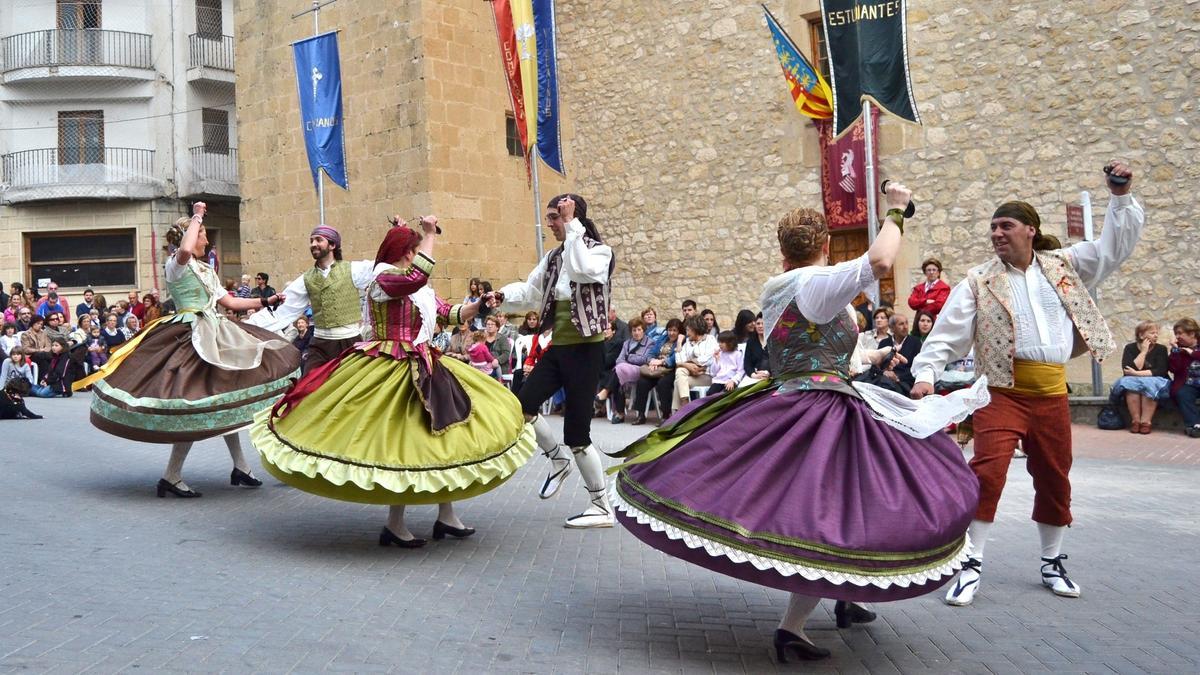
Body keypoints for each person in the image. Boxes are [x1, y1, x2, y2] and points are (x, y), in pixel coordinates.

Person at [610, 185, 983, 661]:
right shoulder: (813, 284)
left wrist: (872, 353)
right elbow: (883, 261)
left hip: (798, 396)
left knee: (851, 501)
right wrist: (896, 207)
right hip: (821, 409)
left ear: (782, 249)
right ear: (824, 246)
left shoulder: (780, 287)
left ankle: (848, 599)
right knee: (826, 513)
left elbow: (827, 351)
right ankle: (792, 628)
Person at [911, 161, 1143, 606]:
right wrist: (925, 374)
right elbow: (947, 333)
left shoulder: (1067, 266)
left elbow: (1114, 249)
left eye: (1007, 226)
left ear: (1031, 230)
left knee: (1055, 477)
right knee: (989, 472)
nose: (997, 233)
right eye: (993, 227)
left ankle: (1052, 561)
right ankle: (970, 563)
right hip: (1001, 392)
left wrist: (1119, 196)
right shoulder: (978, 280)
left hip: (1053, 393)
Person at [250, 217, 534, 547]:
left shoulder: (418, 287)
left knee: (442, 440)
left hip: (425, 363)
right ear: (402, 251)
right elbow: (416, 277)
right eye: (413, 250)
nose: (416, 255)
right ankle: (395, 523)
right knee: (403, 444)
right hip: (391, 365)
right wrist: (430, 234)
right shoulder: (384, 280)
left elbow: (450, 314)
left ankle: (446, 515)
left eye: (417, 250)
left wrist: (479, 304)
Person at [75, 202, 300, 498]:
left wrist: (266, 302)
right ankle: (172, 475)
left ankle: (240, 467)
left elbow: (230, 304)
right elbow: (183, 251)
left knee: (223, 395)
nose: (206, 240)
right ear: (191, 236)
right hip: (190, 337)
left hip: (217, 333)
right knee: (193, 403)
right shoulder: (176, 265)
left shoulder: (206, 269)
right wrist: (197, 217)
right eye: (203, 234)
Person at [495, 193, 617, 529]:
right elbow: (532, 290)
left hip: (587, 351)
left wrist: (574, 224)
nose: (550, 224)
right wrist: (502, 295)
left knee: (578, 433)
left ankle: (601, 505)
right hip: (561, 347)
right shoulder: (553, 257)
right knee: (524, 407)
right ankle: (557, 461)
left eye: (555, 216)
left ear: (572, 216)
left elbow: (582, 270)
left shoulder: (598, 252)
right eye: (550, 217)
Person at [1111, 321, 1169, 434]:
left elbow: (1160, 371)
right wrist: (1143, 352)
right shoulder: (1129, 348)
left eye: (1157, 333)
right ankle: (1136, 421)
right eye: (1152, 333)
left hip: (1157, 381)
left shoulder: (1161, 349)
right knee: (1131, 383)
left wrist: (1137, 374)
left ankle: (1145, 422)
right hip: (1134, 381)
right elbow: (1128, 369)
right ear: (1141, 335)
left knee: (1149, 383)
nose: (1156, 335)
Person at [597, 317, 652, 423]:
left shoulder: (650, 343)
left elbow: (645, 359)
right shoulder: (627, 343)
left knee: (618, 370)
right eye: (634, 330)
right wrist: (626, 362)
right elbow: (619, 359)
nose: (636, 333)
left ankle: (617, 409)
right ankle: (619, 412)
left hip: (640, 370)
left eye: (639, 330)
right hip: (624, 370)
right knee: (619, 375)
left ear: (643, 330)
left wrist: (629, 358)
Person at [632, 318, 683, 425]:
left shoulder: (682, 341)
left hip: (670, 369)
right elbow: (652, 352)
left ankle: (665, 415)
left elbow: (676, 358)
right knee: (642, 382)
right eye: (669, 330)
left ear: (679, 331)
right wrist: (652, 361)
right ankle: (641, 415)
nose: (671, 333)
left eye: (674, 330)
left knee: (663, 383)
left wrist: (661, 362)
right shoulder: (663, 338)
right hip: (656, 369)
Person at [671, 315, 718, 411]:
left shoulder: (710, 339)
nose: (687, 334)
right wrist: (679, 344)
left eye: (688, 330)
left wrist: (689, 364)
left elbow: (708, 358)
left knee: (679, 379)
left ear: (695, 329)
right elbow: (679, 361)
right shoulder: (688, 342)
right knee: (680, 375)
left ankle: (678, 413)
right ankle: (685, 407)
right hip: (692, 375)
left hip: (706, 376)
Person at [1168, 318, 1200, 438]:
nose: (1177, 336)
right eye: (1176, 333)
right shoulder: (1178, 349)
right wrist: (1175, 351)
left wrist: (1191, 353)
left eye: (1180, 333)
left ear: (1192, 333)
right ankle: (1194, 425)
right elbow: (1174, 369)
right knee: (1182, 394)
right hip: (1188, 384)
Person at [878, 313, 921, 394]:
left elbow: (917, 368)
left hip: (906, 382)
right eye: (901, 324)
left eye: (906, 323)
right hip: (884, 380)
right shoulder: (884, 343)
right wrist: (885, 372)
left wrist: (897, 377)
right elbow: (877, 366)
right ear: (892, 328)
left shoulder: (915, 342)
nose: (905, 327)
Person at [705, 330, 744, 396]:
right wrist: (716, 360)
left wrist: (733, 380)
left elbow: (741, 371)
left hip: (730, 381)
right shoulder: (720, 354)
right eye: (719, 342)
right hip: (718, 381)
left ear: (730, 343)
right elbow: (713, 373)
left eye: (722, 342)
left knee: (725, 396)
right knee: (709, 394)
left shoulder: (738, 354)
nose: (720, 344)